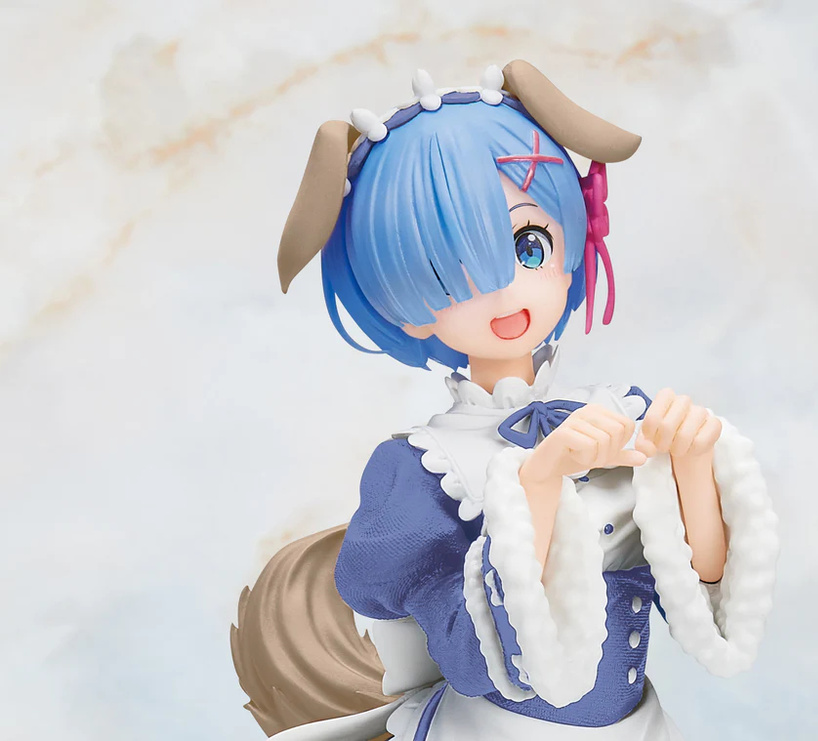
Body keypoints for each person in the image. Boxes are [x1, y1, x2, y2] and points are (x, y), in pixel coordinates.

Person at [231, 60, 779, 741]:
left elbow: (705, 599)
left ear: (573, 239)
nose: (503, 292)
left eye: (528, 245)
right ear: (404, 307)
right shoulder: (424, 470)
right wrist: (537, 486)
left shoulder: (621, 412)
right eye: (449, 273)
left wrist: (693, 466)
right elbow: (472, 655)